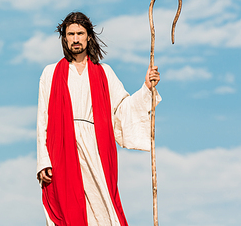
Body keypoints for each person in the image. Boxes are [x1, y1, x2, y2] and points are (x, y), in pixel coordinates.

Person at [36, 12, 161, 226]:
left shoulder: (104, 72)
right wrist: (43, 161)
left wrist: (146, 89)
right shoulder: (50, 73)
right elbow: (42, 120)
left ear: (88, 37)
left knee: (102, 206)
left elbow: (123, 109)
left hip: (95, 148)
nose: (75, 38)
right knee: (65, 209)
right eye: (71, 34)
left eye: (80, 33)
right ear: (65, 38)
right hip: (62, 148)